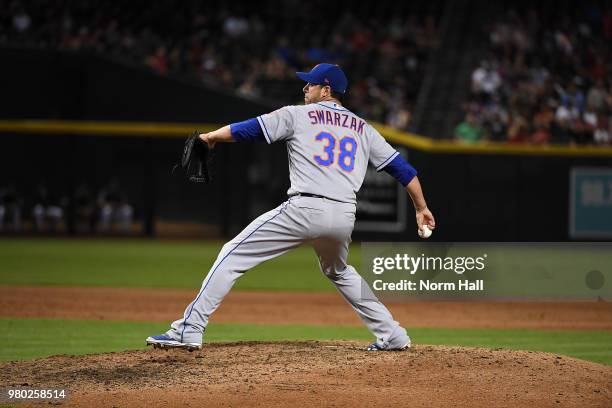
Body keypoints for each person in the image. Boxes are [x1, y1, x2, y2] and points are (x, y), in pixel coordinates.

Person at [147, 63, 436, 352]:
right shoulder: (364, 128)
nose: (304, 88)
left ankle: (189, 329)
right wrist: (420, 207)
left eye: (309, 84)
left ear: (326, 90)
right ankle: (393, 334)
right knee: (340, 271)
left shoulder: (297, 114)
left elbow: (250, 129)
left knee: (232, 254)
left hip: (305, 208)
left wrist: (211, 137)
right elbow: (404, 170)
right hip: (344, 216)